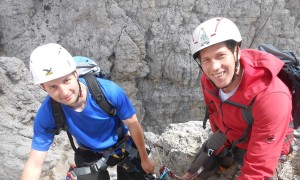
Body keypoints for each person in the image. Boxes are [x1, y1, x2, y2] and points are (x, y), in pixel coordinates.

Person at [21, 43, 155, 180]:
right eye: (53, 87)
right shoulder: (49, 113)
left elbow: (133, 123)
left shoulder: (108, 91)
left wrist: (144, 158)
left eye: (66, 80)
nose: (64, 92)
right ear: (43, 87)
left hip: (123, 143)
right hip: (89, 152)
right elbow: (35, 163)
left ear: (75, 74)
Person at [182, 17, 294, 179]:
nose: (214, 67)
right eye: (206, 59)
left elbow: (258, 170)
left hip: (267, 148)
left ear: (236, 51)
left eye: (220, 55)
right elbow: (215, 116)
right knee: (191, 174)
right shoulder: (209, 81)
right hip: (233, 135)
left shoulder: (271, 96)